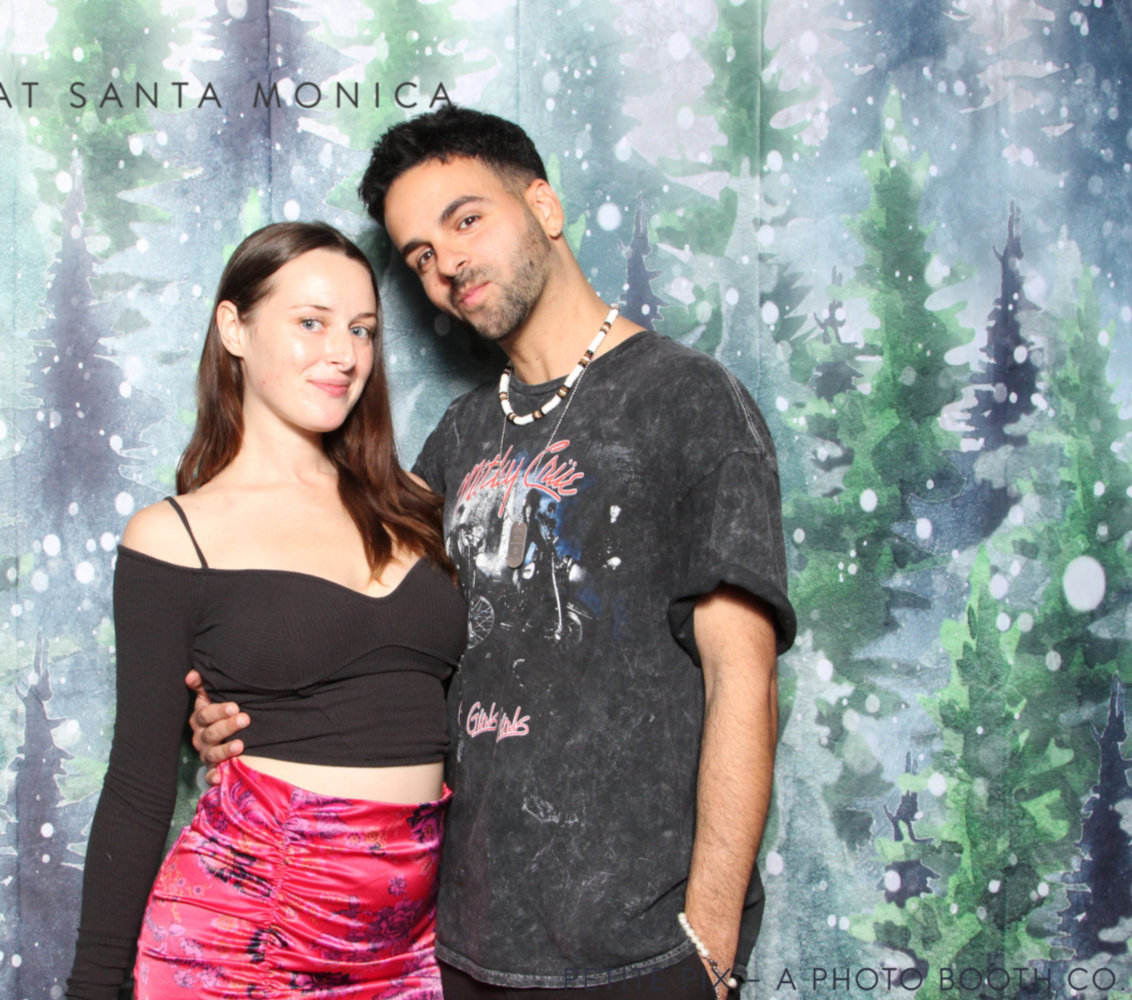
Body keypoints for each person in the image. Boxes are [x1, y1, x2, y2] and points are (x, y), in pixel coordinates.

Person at [189, 107, 797, 999]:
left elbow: (743, 678)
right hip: (461, 948)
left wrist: (707, 944)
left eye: (466, 220)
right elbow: (368, 639)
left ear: (543, 206)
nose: (448, 265)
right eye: (420, 257)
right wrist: (245, 710)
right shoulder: (463, 434)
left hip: (638, 952)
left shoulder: (689, 401)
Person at [66, 221, 467, 1000]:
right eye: (311, 322)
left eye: (362, 330)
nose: (343, 353)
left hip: (408, 950)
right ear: (234, 328)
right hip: (245, 937)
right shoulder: (175, 537)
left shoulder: (415, 506)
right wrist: (93, 986)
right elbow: (139, 786)